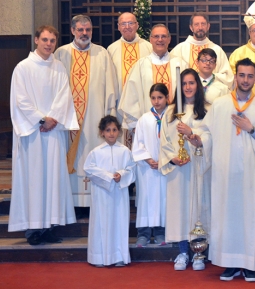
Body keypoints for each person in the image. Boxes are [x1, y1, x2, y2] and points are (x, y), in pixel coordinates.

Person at [197, 58, 255, 282]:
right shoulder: (221, 105)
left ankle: (249, 264)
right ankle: (229, 263)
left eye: (250, 76)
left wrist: (252, 129)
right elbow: (207, 132)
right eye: (242, 75)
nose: (246, 80)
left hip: (250, 173)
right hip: (225, 171)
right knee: (226, 216)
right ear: (235, 76)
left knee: (249, 216)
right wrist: (199, 140)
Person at [8, 25, 79, 245]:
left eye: (52, 41)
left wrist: (52, 120)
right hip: (32, 134)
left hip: (53, 132)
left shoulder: (58, 67)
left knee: (53, 179)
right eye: (45, 40)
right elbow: (21, 100)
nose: (49, 44)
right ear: (36, 40)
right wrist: (41, 119)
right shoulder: (23, 68)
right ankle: (33, 230)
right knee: (33, 180)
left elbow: (64, 97)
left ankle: (49, 226)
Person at [55, 14, 118, 208]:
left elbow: (111, 88)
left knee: (93, 153)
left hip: (95, 118)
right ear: (72, 30)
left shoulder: (102, 54)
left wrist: (110, 116)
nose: (84, 33)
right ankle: (71, 203)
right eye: (80, 30)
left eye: (88, 30)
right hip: (68, 119)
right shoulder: (61, 54)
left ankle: (94, 201)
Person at [159, 69, 212, 272]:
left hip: (199, 168)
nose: (188, 87)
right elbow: (164, 140)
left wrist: (194, 136)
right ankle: (182, 251)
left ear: (198, 85)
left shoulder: (207, 110)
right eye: (184, 84)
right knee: (180, 210)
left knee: (199, 207)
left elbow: (212, 137)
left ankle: (199, 252)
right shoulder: (170, 112)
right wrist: (172, 158)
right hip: (179, 172)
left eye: (191, 83)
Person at [84, 115, 135, 267]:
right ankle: (99, 257)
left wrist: (122, 175)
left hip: (119, 194)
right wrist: (108, 177)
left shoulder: (125, 151)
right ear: (102, 132)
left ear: (119, 131)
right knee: (101, 223)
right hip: (102, 194)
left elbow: (131, 169)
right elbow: (89, 169)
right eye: (108, 130)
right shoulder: (95, 152)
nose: (111, 133)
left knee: (119, 222)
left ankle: (119, 256)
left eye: (114, 130)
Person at [119, 24, 185, 130]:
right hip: (148, 126)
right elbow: (131, 96)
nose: (160, 40)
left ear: (169, 39)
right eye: (156, 36)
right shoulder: (141, 65)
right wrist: (137, 124)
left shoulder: (180, 64)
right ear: (150, 39)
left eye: (163, 36)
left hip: (175, 125)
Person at [132, 83, 170, 248]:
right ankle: (144, 234)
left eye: (160, 97)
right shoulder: (144, 119)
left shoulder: (171, 118)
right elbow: (138, 144)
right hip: (147, 169)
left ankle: (162, 232)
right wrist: (148, 159)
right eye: (153, 98)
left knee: (163, 200)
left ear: (167, 98)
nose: (156, 101)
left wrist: (164, 160)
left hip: (165, 167)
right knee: (146, 200)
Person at [107, 12, 152, 147]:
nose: (127, 27)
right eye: (123, 24)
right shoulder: (111, 49)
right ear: (118, 27)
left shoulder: (148, 47)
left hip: (144, 104)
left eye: (131, 23)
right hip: (121, 106)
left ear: (137, 25)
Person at [170, 14, 234, 88]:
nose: (200, 27)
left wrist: (209, 77)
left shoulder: (217, 50)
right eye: (196, 24)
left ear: (208, 26)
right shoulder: (179, 49)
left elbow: (228, 78)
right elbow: (173, 76)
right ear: (191, 27)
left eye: (203, 24)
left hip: (211, 94)